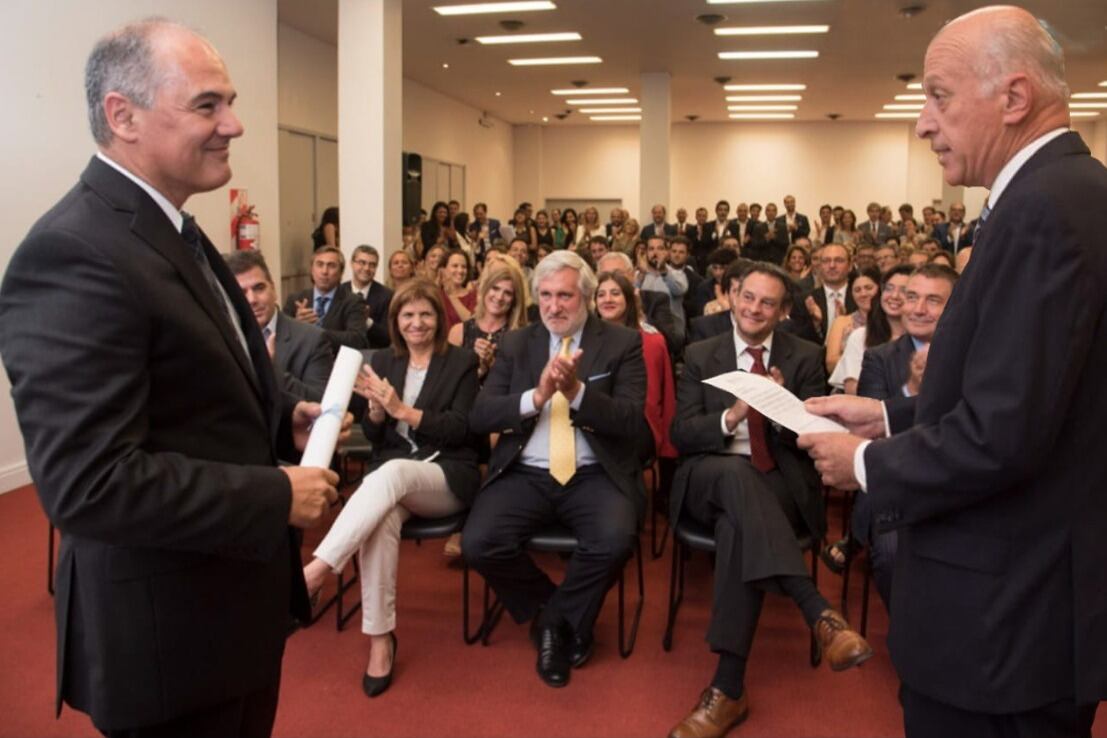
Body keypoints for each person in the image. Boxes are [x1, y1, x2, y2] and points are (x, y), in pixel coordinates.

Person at [0, 19, 343, 737]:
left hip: (227, 619)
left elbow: (190, 377)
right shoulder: (75, 252)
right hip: (169, 643)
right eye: (207, 105)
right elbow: (89, 482)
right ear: (122, 115)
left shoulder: (171, 228)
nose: (234, 124)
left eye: (231, 102)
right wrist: (275, 494)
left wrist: (279, 416)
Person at [799, 7, 1107, 737]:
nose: (922, 123)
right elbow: (1036, 399)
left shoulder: (1044, 210)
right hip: (1026, 607)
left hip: (1004, 624)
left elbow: (1002, 435)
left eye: (938, 95)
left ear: (1013, 96)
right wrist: (888, 416)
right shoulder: (1066, 193)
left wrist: (863, 464)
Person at [667, 264, 871, 738]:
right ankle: (815, 608)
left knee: (737, 526)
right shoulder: (701, 353)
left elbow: (820, 435)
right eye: (748, 297)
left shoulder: (804, 356)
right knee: (735, 476)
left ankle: (728, 688)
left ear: (783, 312)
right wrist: (734, 415)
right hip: (709, 473)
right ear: (733, 296)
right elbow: (682, 434)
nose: (754, 309)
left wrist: (782, 411)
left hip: (777, 480)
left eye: (767, 303)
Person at [462, 250, 652, 689]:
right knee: (479, 543)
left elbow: (630, 420)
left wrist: (578, 392)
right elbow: (481, 415)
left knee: (614, 541)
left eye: (564, 295)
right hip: (525, 471)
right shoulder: (516, 343)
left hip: (594, 473)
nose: (553, 306)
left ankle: (551, 624)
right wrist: (537, 396)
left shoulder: (622, 343)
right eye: (545, 295)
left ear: (585, 296)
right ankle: (558, 614)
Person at [302, 281, 481, 698]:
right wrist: (379, 415)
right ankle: (380, 639)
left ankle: (316, 571)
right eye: (408, 315)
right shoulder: (383, 359)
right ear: (396, 321)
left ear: (439, 319)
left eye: (425, 314)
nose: (417, 323)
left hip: (446, 475)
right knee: (380, 517)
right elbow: (374, 436)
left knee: (391, 474)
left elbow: (462, 429)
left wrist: (403, 410)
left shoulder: (462, 362)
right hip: (391, 481)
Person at [594, 270, 678, 472]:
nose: (608, 299)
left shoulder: (652, 341)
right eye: (601, 294)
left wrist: (668, 448)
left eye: (615, 293)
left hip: (638, 427)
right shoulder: (583, 340)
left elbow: (664, 398)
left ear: (629, 299)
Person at [226, 249, 332, 403]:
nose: (252, 299)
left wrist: (271, 371)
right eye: (241, 293)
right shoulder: (222, 338)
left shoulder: (312, 339)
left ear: (274, 289)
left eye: (259, 288)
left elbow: (319, 403)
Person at [827, 264, 911, 395]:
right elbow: (852, 390)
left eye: (904, 290)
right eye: (889, 289)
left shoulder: (924, 338)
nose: (894, 295)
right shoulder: (860, 336)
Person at [284, 246, 368, 352]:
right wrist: (297, 325)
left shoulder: (353, 301)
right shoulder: (295, 299)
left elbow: (357, 339)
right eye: (320, 265)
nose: (324, 271)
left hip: (334, 360)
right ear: (312, 270)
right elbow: (281, 335)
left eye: (331, 266)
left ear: (341, 272)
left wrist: (315, 332)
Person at [824, 266, 881, 375]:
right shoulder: (842, 322)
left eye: (868, 288)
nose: (863, 294)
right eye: (857, 290)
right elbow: (831, 364)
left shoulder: (891, 320)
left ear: (879, 288)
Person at [336, 244, 394, 349]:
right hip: (341, 352)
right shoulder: (338, 292)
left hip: (373, 353)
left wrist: (367, 322)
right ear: (352, 263)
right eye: (362, 263)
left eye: (372, 265)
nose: (367, 268)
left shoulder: (387, 296)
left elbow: (388, 337)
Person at [637, 235, 688, 345]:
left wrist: (664, 271)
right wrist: (641, 275)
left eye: (660, 248)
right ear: (646, 253)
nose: (655, 253)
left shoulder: (677, 274)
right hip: (644, 332)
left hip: (671, 333)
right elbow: (631, 297)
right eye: (651, 249)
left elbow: (679, 291)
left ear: (667, 252)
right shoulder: (639, 275)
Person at [440, 249, 477, 331]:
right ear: (444, 269)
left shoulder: (473, 296)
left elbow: (472, 324)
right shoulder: (437, 295)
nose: (460, 271)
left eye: (464, 267)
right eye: (455, 266)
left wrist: (451, 296)